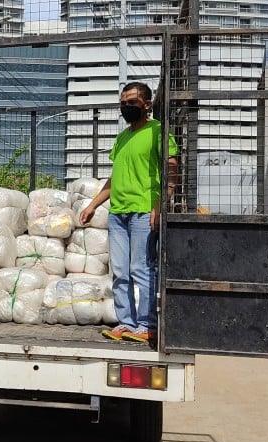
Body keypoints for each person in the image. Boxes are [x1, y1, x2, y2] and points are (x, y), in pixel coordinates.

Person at [79, 81, 178, 344]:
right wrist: (92, 205)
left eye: (131, 102)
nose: (126, 107)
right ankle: (126, 323)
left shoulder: (159, 132)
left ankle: (147, 325)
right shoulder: (122, 137)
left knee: (142, 269)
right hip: (118, 213)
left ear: (146, 104)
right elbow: (115, 178)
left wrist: (160, 204)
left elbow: (172, 169)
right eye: (123, 103)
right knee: (120, 271)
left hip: (144, 211)